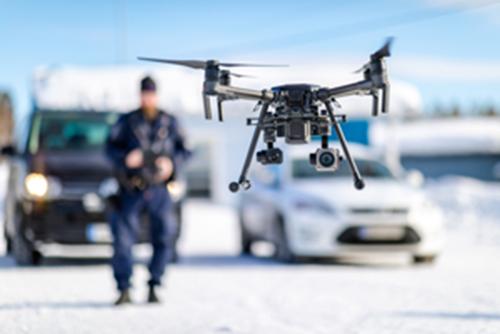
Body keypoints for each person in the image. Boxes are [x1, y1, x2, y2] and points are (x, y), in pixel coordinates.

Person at [106, 76, 190, 305]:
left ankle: (155, 284)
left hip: (160, 189)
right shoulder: (126, 121)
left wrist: (172, 164)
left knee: (164, 237)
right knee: (123, 240)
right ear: (140, 94)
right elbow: (109, 149)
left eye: (151, 94)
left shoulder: (169, 122)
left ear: (156, 95)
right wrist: (126, 158)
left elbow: (186, 151)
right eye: (144, 93)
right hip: (131, 188)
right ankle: (124, 288)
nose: (147, 98)